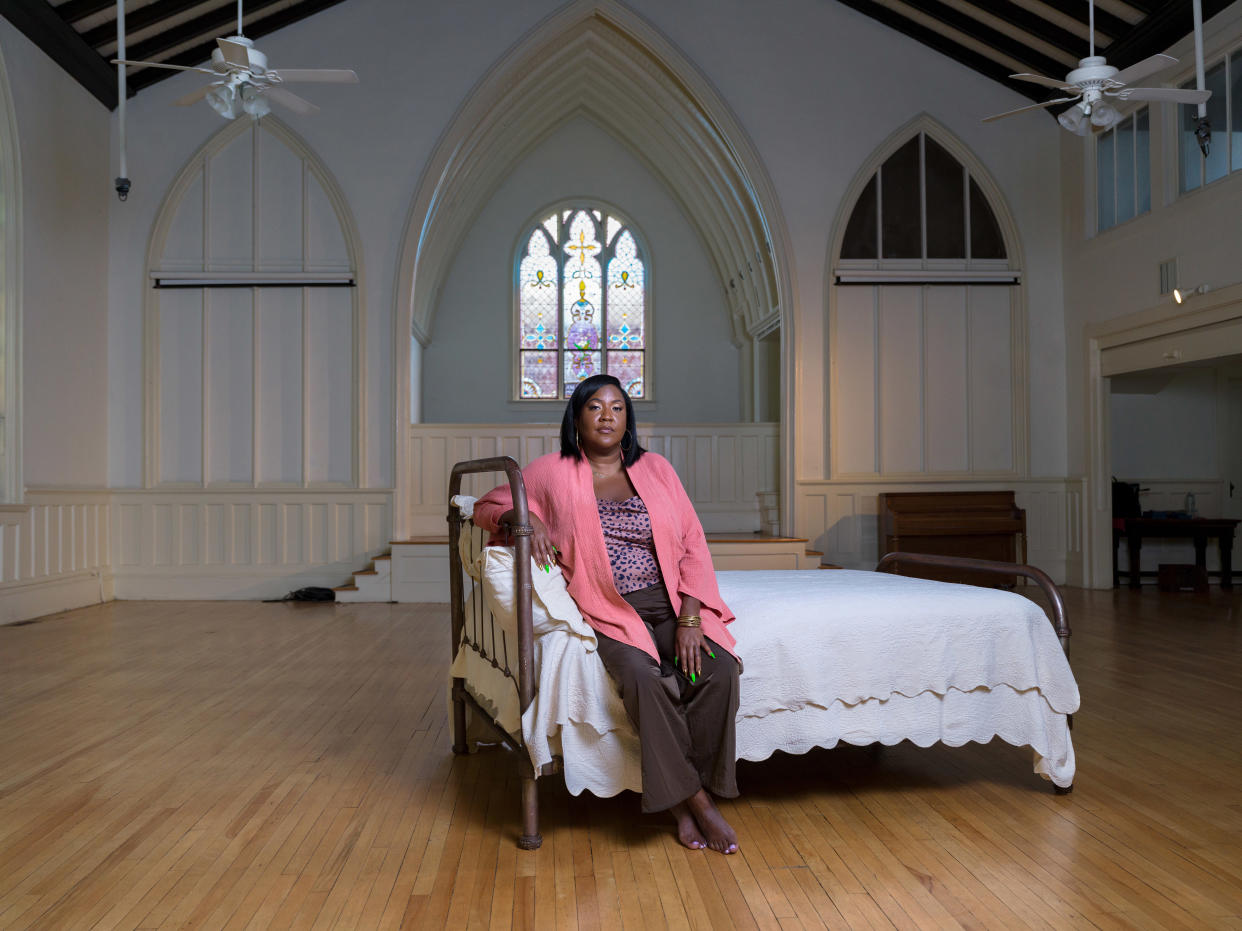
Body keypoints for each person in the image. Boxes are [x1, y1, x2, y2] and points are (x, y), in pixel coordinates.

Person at [472, 374, 742, 854]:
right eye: (595, 407)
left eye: (617, 408)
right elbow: (489, 503)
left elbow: (693, 543)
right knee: (642, 676)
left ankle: (689, 789)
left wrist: (691, 618)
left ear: (628, 420)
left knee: (717, 673)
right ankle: (694, 803)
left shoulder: (656, 468)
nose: (606, 416)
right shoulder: (553, 470)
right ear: (577, 417)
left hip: (673, 603)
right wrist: (526, 516)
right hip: (610, 608)